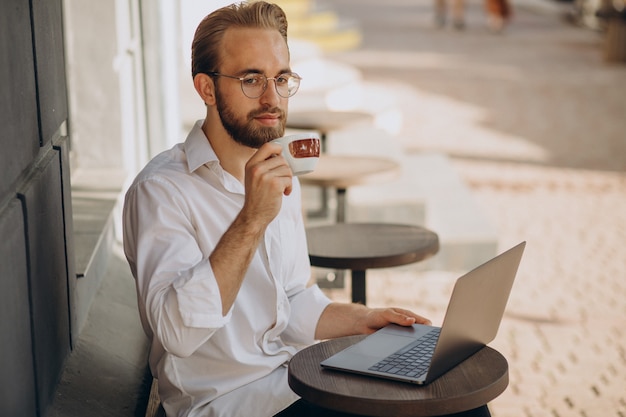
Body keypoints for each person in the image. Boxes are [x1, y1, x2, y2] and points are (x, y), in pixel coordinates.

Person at [122, 2, 432, 416]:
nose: (272, 97)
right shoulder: (162, 191)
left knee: (449, 395)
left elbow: (293, 300)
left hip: (292, 383)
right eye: (251, 79)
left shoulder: (278, 170)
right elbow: (177, 333)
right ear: (207, 89)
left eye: (281, 78)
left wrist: (365, 319)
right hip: (226, 404)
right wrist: (251, 218)